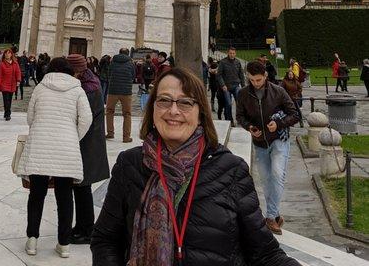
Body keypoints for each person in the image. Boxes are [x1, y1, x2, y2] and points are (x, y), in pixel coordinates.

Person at [91, 67, 302, 266]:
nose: (173, 111)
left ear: (200, 112)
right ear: (152, 109)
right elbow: (106, 239)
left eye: (185, 103)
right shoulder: (129, 165)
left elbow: (265, 253)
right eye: (164, 101)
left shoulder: (232, 170)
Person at [16, 57, 92, 258]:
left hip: (40, 145)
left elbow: (30, 118)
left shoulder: (41, 88)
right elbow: (87, 119)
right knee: (65, 198)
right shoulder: (77, 90)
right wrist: (73, 136)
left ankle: (32, 240)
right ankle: (64, 244)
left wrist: (41, 129)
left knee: (36, 195)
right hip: (66, 148)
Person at [236, 61, 299, 235]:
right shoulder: (243, 94)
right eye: (252, 80)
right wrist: (249, 127)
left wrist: (278, 124)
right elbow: (240, 116)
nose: (256, 83)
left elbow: (295, 114)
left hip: (279, 139)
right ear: (248, 77)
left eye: (258, 80)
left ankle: (270, 217)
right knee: (265, 179)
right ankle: (276, 215)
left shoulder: (278, 91)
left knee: (278, 174)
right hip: (260, 143)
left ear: (265, 76)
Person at [67, 54, 110, 245]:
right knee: (80, 186)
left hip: (88, 142)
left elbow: (85, 119)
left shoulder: (88, 89)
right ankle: (82, 226)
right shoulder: (88, 83)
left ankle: (87, 230)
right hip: (87, 142)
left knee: (83, 186)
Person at [106, 48, 136, 143]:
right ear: (128, 54)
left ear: (119, 53)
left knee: (109, 112)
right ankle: (126, 137)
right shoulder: (131, 63)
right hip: (126, 92)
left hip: (113, 90)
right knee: (127, 114)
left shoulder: (113, 62)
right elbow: (133, 75)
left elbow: (109, 74)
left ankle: (110, 133)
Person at [217, 47, 245, 126]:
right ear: (228, 53)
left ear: (235, 54)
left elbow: (241, 75)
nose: (232, 55)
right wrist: (223, 85)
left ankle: (240, 119)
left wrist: (243, 86)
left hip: (236, 85)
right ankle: (230, 120)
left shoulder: (238, 62)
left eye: (233, 53)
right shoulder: (223, 62)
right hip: (226, 86)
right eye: (230, 53)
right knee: (228, 104)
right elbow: (219, 75)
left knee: (239, 103)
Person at [0, 49, 21, 121]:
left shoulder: (15, 63)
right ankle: (8, 114)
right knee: (6, 100)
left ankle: (6, 112)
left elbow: (18, 72)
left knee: (9, 100)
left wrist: (18, 80)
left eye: (9, 53)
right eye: (6, 53)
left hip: (12, 84)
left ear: (11, 54)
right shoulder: (2, 64)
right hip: (4, 84)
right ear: (4, 55)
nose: (7, 55)